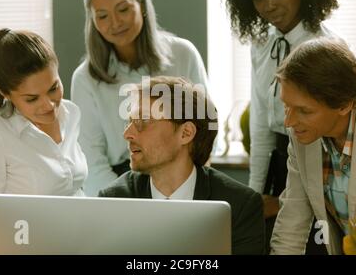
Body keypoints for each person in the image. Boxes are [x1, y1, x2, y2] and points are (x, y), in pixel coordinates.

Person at [223, 0, 343, 252]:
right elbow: (261, 123)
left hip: (319, 161)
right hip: (280, 160)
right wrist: (254, 193)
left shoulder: (327, 47)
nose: (269, 6)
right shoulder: (261, 44)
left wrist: (286, 197)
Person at [0, 29, 88, 254]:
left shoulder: (70, 115)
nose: (49, 105)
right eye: (32, 99)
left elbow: (76, 193)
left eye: (53, 88)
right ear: (5, 93)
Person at [71, 0, 208, 196]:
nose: (114, 23)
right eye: (102, 16)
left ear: (142, 5)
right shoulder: (85, 78)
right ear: (93, 21)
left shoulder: (183, 54)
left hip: (183, 177)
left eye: (123, 9)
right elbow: (91, 161)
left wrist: (185, 190)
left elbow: (205, 128)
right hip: (119, 184)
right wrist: (126, 205)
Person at [98, 76, 265, 255]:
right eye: (129, 121)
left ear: (186, 133)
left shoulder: (240, 207)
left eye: (143, 122)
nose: (127, 133)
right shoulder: (112, 201)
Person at [270, 38, 356, 254]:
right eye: (286, 107)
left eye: (305, 111)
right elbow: (291, 226)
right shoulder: (303, 135)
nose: (289, 122)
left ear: (345, 104)